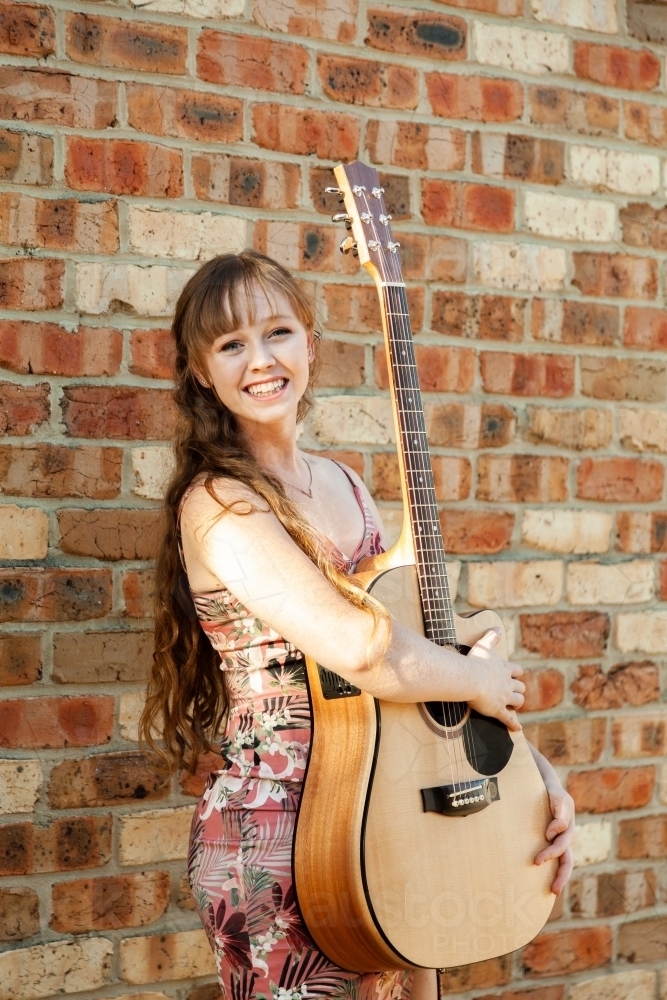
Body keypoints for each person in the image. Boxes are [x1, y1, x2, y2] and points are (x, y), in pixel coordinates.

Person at [142, 250, 575, 1000]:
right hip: (280, 837)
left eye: (277, 331)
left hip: (398, 822)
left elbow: (426, 657)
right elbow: (361, 649)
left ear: (310, 342)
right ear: (201, 371)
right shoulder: (217, 504)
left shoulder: (343, 483)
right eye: (231, 343)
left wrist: (537, 781)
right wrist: (476, 678)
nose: (262, 359)